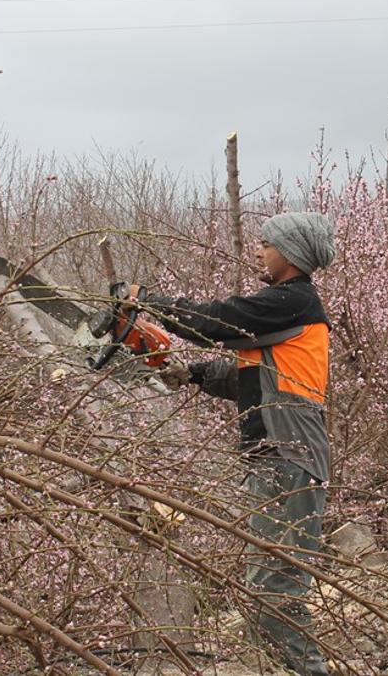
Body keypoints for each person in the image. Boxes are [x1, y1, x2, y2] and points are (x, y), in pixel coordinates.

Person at [131, 212, 335, 676]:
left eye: (268, 244)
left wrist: (148, 301)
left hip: (287, 457)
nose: (260, 251)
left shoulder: (290, 300)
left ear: (292, 252)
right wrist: (193, 373)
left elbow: (217, 319)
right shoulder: (290, 311)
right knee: (268, 587)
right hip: (282, 457)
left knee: (274, 592)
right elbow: (256, 379)